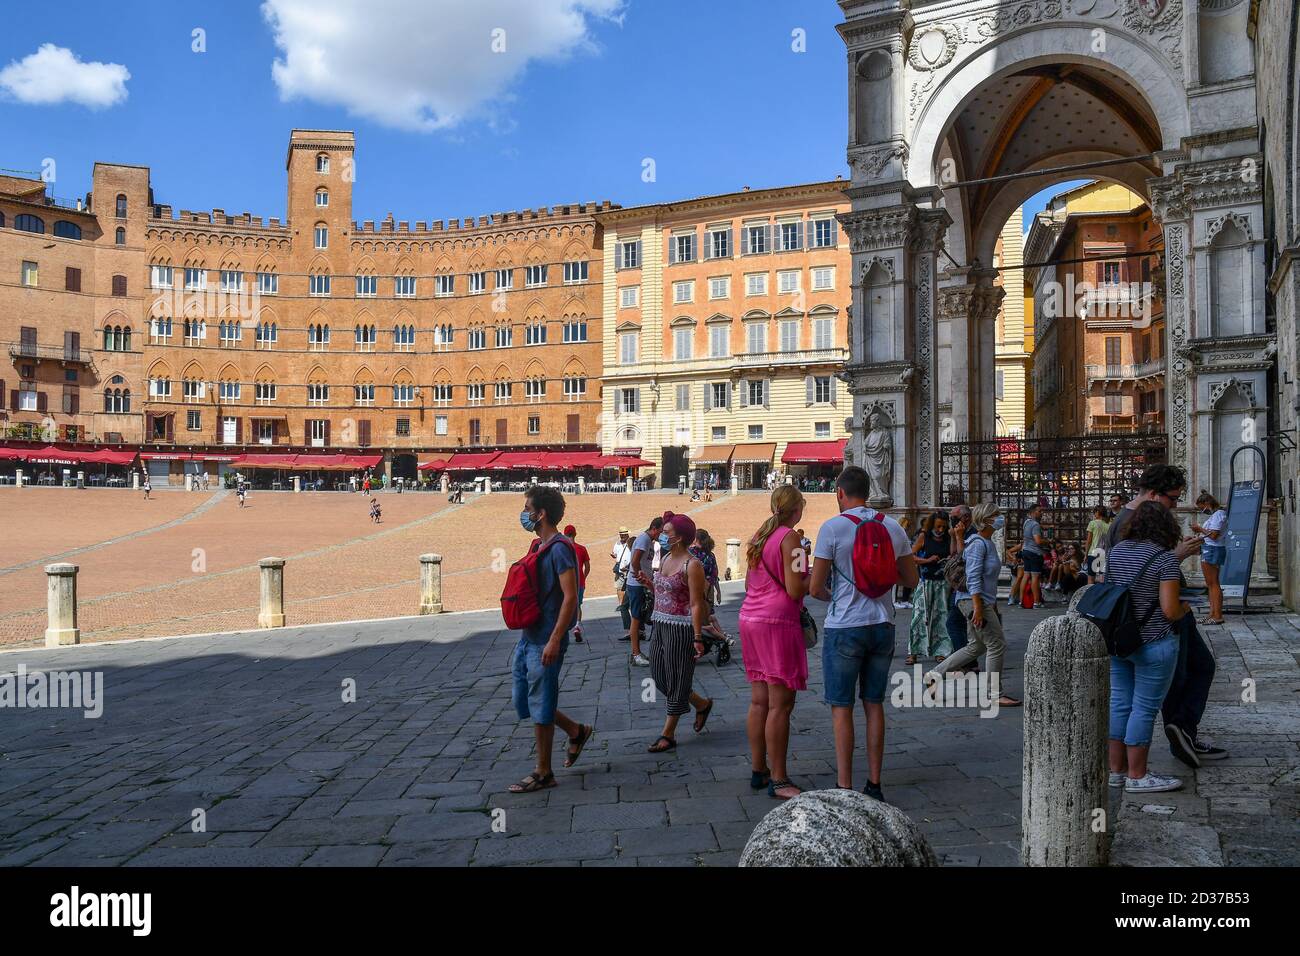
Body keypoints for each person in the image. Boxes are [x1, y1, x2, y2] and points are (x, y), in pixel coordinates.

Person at [809, 466, 918, 800]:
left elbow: (815, 588)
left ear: (840, 493)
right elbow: (911, 580)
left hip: (844, 625)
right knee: (874, 704)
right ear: (868, 491)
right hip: (882, 622)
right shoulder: (893, 527)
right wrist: (880, 580)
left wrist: (836, 595)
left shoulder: (832, 528)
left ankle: (844, 784)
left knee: (842, 707)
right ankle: (874, 783)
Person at [1105, 464, 1225, 767]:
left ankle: (1126, 767)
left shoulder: (1129, 523)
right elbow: (1138, 577)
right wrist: (1177, 557)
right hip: (1156, 620)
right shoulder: (1127, 523)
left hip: (1139, 624)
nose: (1175, 505)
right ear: (1155, 495)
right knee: (1154, 695)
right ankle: (1149, 761)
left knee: (1190, 671)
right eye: (1173, 498)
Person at [507, 486, 593, 794]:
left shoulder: (559, 549)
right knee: (525, 700)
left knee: (540, 702)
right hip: (528, 637)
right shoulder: (538, 545)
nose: (525, 513)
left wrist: (556, 639)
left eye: (528, 507)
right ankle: (576, 731)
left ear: (541, 514)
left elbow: (570, 597)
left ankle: (544, 772)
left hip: (546, 639)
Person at [1106, 502, 1188, 793]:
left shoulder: (1117, 552)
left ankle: (1116, 771)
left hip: (1119, 640)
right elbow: (1169, 610)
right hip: (1154, 642)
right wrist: (1186, 607)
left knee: (1119, 703)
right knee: (1144, 708)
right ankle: (1138, 776)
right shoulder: (1165, 559)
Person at [739, 486, 810, 799]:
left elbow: (746, 582)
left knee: (759, 701)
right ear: (796, 510)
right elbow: (796, 589)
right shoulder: (791, 539)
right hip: (777, 623)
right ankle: (780, 780)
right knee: (781, 704)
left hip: (750, 619)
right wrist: (818, 571)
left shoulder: (758, 536)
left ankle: (759, 770)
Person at [926, 502, 1021, 708]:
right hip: (973, 601)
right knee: (996, 645)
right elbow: (973, 577)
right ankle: (994, 694)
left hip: (976, 601)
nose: (999, 518)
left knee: (976, 646)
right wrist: (978, 607)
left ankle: (934, 676)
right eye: (995, 515)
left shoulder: (984, 542)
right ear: (986, 520)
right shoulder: (978, 544)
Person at [646, 512, 713, 754]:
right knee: (658, 676)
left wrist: (698, 636)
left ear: (680, 537)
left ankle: (668, 733)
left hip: (681, 627)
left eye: (667, 533)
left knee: (678, 677)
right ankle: (701, 704)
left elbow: (696, 603)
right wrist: (650, 584)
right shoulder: (664, 558)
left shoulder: (692, 565)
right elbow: (666, 590)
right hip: (660, 622)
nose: (663, 536)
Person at [907, 511, 954, 665]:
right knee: (920, 616)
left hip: (943, 583)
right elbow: (910, 556)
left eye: (943, 526)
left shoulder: (948, 538)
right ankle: (914, 651)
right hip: (926, 581)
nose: (940, 529)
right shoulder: (924, 537)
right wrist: (927, 560)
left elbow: (954, 554)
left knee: (941, 617)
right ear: (932, 524)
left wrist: (954, 536)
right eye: (937, 526)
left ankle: (941, 650)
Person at [626, 516, 663, 667]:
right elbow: (635, 561)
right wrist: (639, 574)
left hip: (642, 583)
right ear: (654, 529)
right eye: (660, 531)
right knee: (636, 618)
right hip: (636, 584)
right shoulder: (644, 540)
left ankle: (638, 652)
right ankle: (635, 653)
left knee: (640, 617)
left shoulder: (649, 541)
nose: (661, 535)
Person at [1190, 492, 1227, 626]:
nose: (1201, 511)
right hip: (1210, 549)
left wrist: (1199, 528)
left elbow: (1214, 536)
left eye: (1201, 508)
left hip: (1212, 549)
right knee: (1211, 584)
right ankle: (1212, 613)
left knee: (1213, 583)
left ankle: (1217, 615)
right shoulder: (1216, 515)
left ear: (1207, 504)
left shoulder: (1218, 515)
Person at [563, 524, 590, 643]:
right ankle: (577, 626)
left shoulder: (562, 549)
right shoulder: (582, 548)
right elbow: (587, 566)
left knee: (564, 605)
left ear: (564, 534)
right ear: (575, 534)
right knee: (577, 605)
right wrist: (583, 577)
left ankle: (563, 628)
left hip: (565, 583)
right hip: (579, 582)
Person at [1020, 503, 1048, 607]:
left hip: (1026, 551)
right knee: (1035, 577)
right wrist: (1048, 541)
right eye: (1039, 511)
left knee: (1026, 575)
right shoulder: (1035, 525)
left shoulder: (1026, 523)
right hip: (1034, 553)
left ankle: (1021, 601)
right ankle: (1036, 602)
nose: (1041, 513)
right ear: (1033, 512)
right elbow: (1038, 541)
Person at [612, 527, 633, 641]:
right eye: (621, 534)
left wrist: (627, 567)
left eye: (624, 534)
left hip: (629, 575)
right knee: (622, 598)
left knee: (627, 606)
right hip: (620, 573)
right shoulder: (617, 544)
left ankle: (631, 630)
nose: (622, 536)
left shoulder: (631, 544)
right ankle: (622, 604)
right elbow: (615, 555)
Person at [1084, 505, 1111, 583]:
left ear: (1097, 512)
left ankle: (1091, 595)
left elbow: (1089, 541)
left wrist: (1085, 555)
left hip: (1093, 553)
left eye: (1094, 512)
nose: (1094, 514)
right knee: (1101, 579)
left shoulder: (1092, 523)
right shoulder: (1108, 525)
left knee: (1091, 579)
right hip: (1103, 553)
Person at [894, 516, 915, 609]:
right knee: (895, 583)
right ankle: (894, 601)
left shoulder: (903, 534)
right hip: (897, 560)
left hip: (901, 560)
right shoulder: (899, 533)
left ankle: (903, 600)